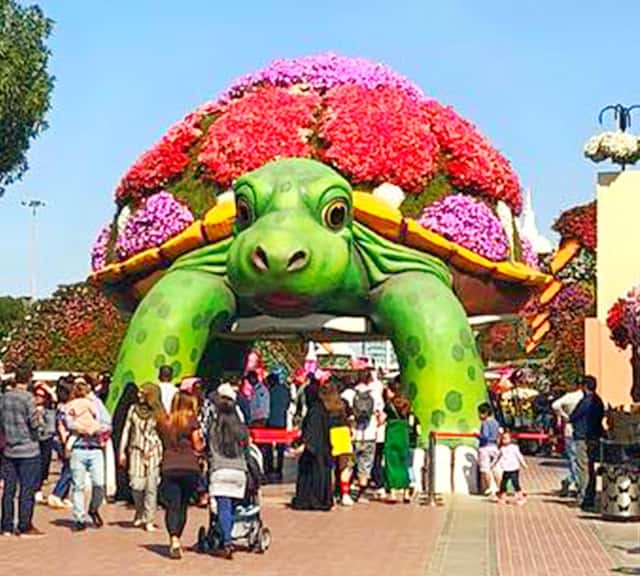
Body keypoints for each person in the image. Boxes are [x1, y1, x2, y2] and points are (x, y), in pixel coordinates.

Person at [157, 391, 205, 559]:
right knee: (183, 504)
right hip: (189, 466)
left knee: (172, 505)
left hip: (169, 465)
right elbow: (198, 445)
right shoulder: (192, 421)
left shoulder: (164, 421)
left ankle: (173, 538)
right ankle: (178, 536)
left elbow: (162, 442)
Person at [0, 364, 44, 536]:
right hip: (28, 448)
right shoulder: (28, 398)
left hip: (9, 448)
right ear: (29, 379)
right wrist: (40, 420)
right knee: (27, 489)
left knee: (9, 489)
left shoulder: (4, 397)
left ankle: (6, 525)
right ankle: (25, 524)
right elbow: (34, 424)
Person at [207, 383, 248, 560]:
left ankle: (226, 541)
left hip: (220, 469)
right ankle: (232, 531)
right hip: (239, 471)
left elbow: (208, 448)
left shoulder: (215, 429)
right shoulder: (241, 430)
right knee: (232, 506)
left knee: (222, 506)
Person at [66, 377, 112, 531]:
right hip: (79, 448)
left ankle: (93, 508)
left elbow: (107, 423)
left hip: (95, 448)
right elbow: (68, 422)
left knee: (99, 484)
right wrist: (81, 428)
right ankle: (79, 518)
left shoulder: (96, 404)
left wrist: (97, 429)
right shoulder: (70, 405)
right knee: (78, 485)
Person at [118, 383, 164, 532]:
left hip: (153, 452)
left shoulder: (159, 412)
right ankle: (139, 510)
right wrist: (122, 451)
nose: (138, 396)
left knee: (151, 487)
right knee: (137, 485)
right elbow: (126, 430)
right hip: (136, 450)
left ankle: (149, 519)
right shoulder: (133, 410)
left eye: (142, 393)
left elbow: (164, 434)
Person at [342, 373, 384, 501]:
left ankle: (345, 494)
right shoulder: (375, 395)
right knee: (365, 469)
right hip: (370, 435)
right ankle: (359, 495)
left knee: (347, 466)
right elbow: (380, 416)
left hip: (352, 435)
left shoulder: (347, 394)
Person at [291, 382, 332, 511]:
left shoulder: (314, 411)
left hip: (314, 452)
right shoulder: (322, 408)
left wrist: (304, 445)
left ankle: (310, 499)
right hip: (323, 449)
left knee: (310, 475)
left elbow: (311, 432)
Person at [570, 375, 604, 511]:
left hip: (583, 437)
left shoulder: (585, 401)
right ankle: (590, 495)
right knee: (590, 468)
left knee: (583, 467)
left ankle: (585, 496)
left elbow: (574, 416)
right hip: (595, 436)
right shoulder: (598, 401)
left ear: (584, 386)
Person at [320, 382, 354, 506]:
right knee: (344, 467)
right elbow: (350, 418)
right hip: (343, 433)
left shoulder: (323, 405)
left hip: (330, 433)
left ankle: (330, 494)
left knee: (330, 466)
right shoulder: (342, 403)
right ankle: (345, 494)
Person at [552, 382, 584, 497]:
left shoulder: (569, 396)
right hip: (582, 431)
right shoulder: (584, 396)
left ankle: (570, 481)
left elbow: (555, 405)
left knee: (573, 459)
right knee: (580, 460)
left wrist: (563, 415)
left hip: (569, 430)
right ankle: (576, 483)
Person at [47, 377, 74, 509]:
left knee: (67, 467)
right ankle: (57, 494)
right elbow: (60, 426)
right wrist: (65, 441)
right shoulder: (64, 407)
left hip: (60, 440)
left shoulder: (60, 405)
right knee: (70, 467)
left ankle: (63, 495)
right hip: (63, 440)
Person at [382, 384, 412, 503]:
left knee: (391, 464)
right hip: (403, 435)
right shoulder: (407, 404)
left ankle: (393, 493)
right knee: (403, 463)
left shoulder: (389, 405)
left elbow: (382, 418)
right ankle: (406, 493)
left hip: (392, 434)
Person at [264, 368, 291, 482]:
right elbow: (288, 404)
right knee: (280, 448)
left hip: (270, 422)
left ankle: (270, 468)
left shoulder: (269, 391)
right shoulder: (285, 390)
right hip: (282, 422)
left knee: (269, 447)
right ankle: (279, 468)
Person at [33, 382, 57, 504]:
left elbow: (55, 398)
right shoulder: (30, 407)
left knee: (44, 464)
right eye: (36, 395)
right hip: (34, 439)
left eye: (41, 395)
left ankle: (39, 486)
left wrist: (46, 387)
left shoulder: (50, 408)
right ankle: (36, 489)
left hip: (47, 438)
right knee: (35, 465)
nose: (38, 397)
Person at [493, 431, 527, 505]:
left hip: (514, 468)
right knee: (503, 484)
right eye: (503, 439)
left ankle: (521, 497)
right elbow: (497, 457)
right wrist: (493, 464)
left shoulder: (514, 447)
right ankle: (502, 498)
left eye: (506, 438)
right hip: (506, 468)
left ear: (510, 439)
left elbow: (519, 456)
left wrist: (523, 464)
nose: (504, 440)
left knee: (515, 483)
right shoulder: (501, 449)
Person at [477, 402, 502, 496]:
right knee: (496, 468)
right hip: (494, 446)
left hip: (485, 447)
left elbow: (485, 436)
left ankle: (490, 487)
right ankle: (500, 488)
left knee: (485, 468)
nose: (479, 415)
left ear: (485, 413)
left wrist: (477, 435)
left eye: (480, 413)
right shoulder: (496, 423)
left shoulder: (485, 423)